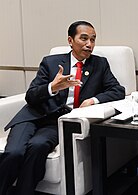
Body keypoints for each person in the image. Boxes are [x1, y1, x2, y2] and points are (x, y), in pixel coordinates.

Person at [0, 21, 125, 195]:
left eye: (93, 39)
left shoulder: (99, 64)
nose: (90, 44)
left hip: (57, 122)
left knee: (38, 146)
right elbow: (31, 96)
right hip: (32, 116)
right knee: (14, 152)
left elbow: (118, 90)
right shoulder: (51, 62)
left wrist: (93, 100)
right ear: (70, 40)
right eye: (84, 38)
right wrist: (52, 87)